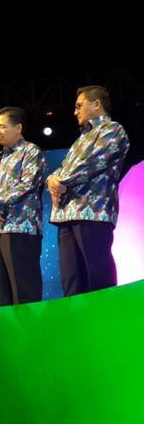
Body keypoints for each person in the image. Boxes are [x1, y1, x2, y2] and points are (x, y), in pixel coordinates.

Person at [47, 85, 129, 296]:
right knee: (71, 279)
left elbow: (92, 163)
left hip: (93, 212)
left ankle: (105, 322)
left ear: (96, 104)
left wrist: (59, 181)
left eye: (79, 106)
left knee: (98, 276)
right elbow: (63, 167)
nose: (75, 112)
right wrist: (51, 178)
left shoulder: (112, 130)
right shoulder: (80, 140)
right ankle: (77, 324)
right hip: (66, 214)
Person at [0, 107, 46, 306]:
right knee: (1, 292)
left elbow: (27, 184)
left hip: (20, 228)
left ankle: (29, 332)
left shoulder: (31, 151)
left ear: (18, 128)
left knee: (24, 288)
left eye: (3, 126)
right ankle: (8, 333)